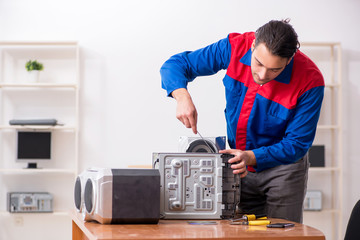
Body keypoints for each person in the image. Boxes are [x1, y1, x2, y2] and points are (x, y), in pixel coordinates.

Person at [160, 19, 324, 223]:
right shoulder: (234, 47)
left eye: (275, 70)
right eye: (259, 63)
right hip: (240, 166)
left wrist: (251, 157)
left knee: (283, 234)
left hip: (284, 168)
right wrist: (182, 96)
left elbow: (297, 143)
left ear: (289, 60)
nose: (263, 75)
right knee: (242, 231)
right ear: (253, 45)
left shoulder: (311, 81)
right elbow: (176, 64)